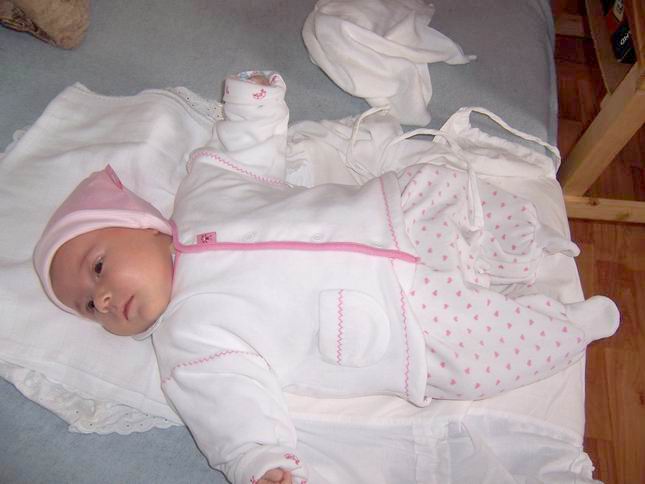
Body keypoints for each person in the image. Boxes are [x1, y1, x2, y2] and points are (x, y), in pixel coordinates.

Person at [33, 71, 619, 484]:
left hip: (395, 214)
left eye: (98, 267)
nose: (102, 299)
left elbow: (245, 154)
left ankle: (528, 248)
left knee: (449, 191)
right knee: (477, 356)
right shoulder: (187, 342)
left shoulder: (201, 195)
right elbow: (229, 407)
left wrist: (252, 106)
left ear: (141, 224)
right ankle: (570, 327)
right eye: (86, 306)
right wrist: (259, 460)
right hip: (397, 324)